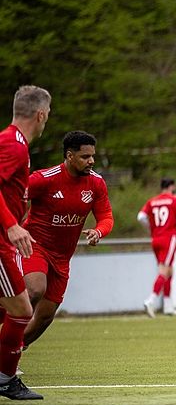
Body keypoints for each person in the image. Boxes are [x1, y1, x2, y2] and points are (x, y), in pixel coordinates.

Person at [21, 131, 114, 350]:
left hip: (62, 259)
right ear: (70, 156)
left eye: (92, 156)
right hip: (34, 246)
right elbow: (12, 197)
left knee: (45, 317)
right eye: (85, 157)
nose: (91, 161)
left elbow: (106, 217)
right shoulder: (45, 178)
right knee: (35, 289)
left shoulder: (96, 183)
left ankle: (9, 355)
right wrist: (12, 226)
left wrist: (98, 231)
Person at [0, 85, 51, 400]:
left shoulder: (15, 143)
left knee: (11, 308)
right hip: (0, 241)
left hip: (5, 241)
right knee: (20, 310)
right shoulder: (13, 144)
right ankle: (5, 378)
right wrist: (11, 226)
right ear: (41, 114)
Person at [138, 178, 176, 317]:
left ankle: (168, 306)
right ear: (172, 186)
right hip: (168, 237)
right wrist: (173, 226)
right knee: (164, 270)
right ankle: (151, 300)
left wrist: (152, 228)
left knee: (169, 270)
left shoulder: (152, 201)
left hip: (155, 238)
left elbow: (141, 217)